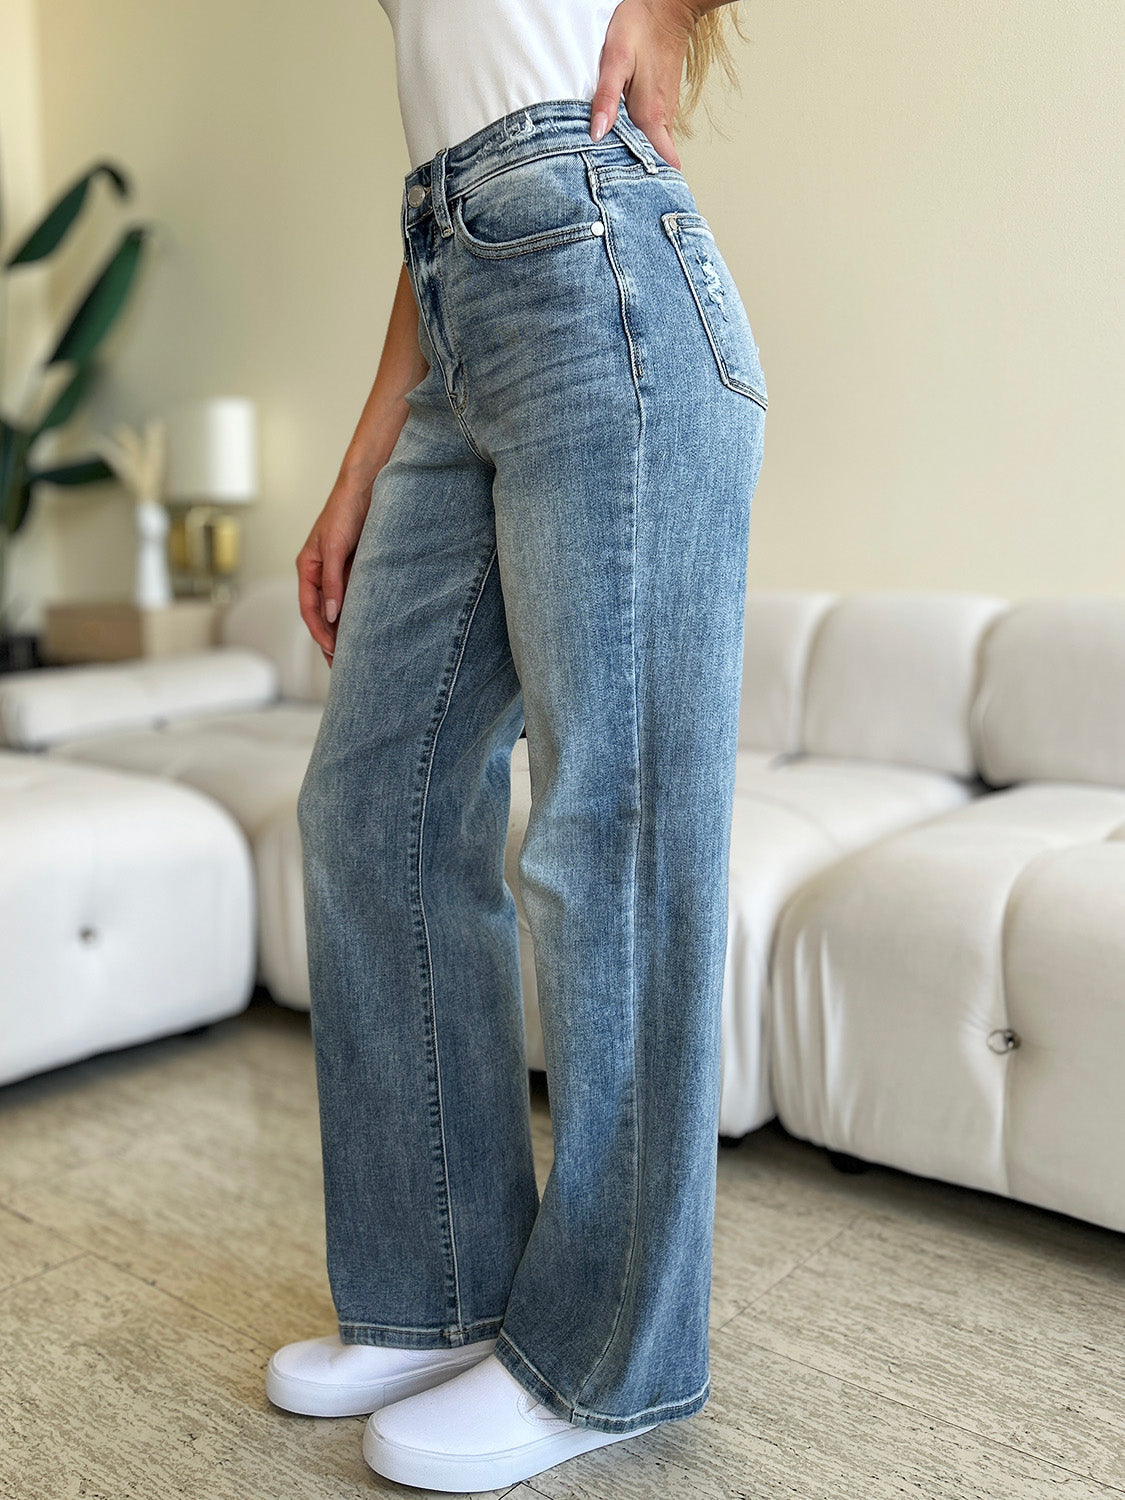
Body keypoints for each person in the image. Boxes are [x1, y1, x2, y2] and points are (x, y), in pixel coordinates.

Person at [270, 0, 767, 1489]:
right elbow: (449, 135)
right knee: (373, 804)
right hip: (458, 284)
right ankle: (440, 1283)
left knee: (608, 840)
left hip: (601, 272)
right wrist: (369, 445)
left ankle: (610, 1356)